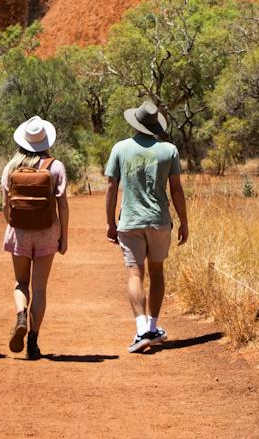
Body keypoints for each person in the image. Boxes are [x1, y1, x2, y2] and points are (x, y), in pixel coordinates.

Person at [104, 99, 189, 355]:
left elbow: (111, 187)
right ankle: (152, 326)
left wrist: (110, 222)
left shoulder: (120, 148)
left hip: (130, 222)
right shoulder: (169, 150)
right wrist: (184, 221)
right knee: (157, 272)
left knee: (135, 274)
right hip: (159, 221)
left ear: (136, 122)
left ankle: (142, 329)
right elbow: (176, 189)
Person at [0, 114, 69, 360]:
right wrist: (64, 236)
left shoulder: (11, 167)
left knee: (21, 283)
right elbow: (62, 205)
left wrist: (15, 226)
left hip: (19, 232)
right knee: (40, 288)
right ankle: (33, 342)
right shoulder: (55, 166)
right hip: (47, 232)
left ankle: (20, 315)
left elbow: (5, 206)